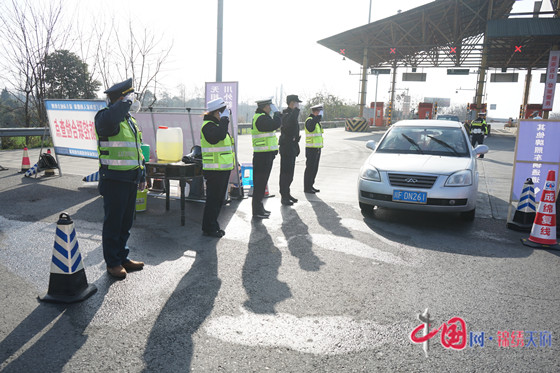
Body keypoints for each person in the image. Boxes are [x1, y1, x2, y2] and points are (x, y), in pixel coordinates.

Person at [95, 78, 145, 279]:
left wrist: (142, 173)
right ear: (122, 98)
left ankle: (123, 257)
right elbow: (110, 118)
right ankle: (113, 262)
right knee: (113, 223)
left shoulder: (129, 120)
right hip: (114, 179)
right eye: (130, 97)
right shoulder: (105, 117)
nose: (133, 102)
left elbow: (137, 150)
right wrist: (124, 102)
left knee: (125, 222)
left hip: (131, 178)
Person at [200, 97, 234, 238]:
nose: (225, 115)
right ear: (217, 113)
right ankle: (209, 228)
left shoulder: (216, 125)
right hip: (214, 170)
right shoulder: (208, 126)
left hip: (221, 169)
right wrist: (225, 120)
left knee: (218, 200)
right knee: (213, 200)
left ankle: (212, 226)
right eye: (223, 112)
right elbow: (217, 137)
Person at [251, 98, 282, 218]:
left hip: (266, 155)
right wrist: (277, 114)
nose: (271, 107)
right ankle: (257, 210)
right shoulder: (261, 118)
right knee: (259, 184)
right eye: (270, 106)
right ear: (265, 107)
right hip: (262, 156)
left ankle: (260, 208)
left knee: (262, 183)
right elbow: (275, 124)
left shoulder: (263, 116)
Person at [279, 94, 302, 206]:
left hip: (292, 147)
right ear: (291, 103)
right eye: (296, 103)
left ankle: (287, 193)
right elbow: (288, 126)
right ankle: (284, 196)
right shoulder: (286, 114)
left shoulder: (292, 114)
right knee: (285, 173)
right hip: (286, 148)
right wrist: (295, 111)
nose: (298, 105)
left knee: (290, 174)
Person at [304, 104, 324, 193]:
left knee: (314, 168)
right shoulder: (310, 120)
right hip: (311, 148)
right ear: (315, 111)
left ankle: (311, 185)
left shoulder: (317, 122)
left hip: (317, 148)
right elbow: (311, 128)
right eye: (319, 111)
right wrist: (316, 119)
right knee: (310, 168)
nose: (320, 113)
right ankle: (307, 187)